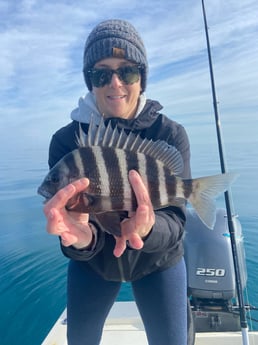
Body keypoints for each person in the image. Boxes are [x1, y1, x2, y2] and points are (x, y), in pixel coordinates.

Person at [43, 19, 191, 345]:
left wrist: (147, 229)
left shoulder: (169, 135)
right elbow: (75, 220)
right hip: (94, 265)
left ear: (142, 78)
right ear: (90, 82)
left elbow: (176, 222)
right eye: (101, 73)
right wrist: (81, 241)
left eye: (127, 72)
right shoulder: (66, 143)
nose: (115, 83)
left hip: (158, 260)